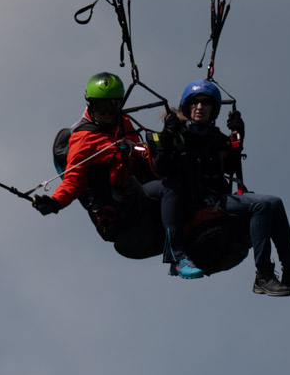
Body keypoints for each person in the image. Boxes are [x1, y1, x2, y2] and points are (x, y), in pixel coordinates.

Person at [154, 79, 290, 296]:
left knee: (275, 203)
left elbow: (230, 168)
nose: (200, 107)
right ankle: (263, 276)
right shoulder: (177, 136)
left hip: (219, 201)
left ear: (214, 109)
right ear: (187, 106)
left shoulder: (216, 138)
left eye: (206, 103)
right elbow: (162, 171)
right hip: (198, 206)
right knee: (263, 205)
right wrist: (167, 138)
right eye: (195, 103)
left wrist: (237, 139)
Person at [32, 72, 203, 279]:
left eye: (112, 106)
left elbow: (140, 152)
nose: (106, 114)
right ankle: (177, 258)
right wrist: (55, 203)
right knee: (170, 189)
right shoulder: (83, 139)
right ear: (90, 105)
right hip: (122, 201)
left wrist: (162, 144)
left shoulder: (123, 122)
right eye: (100, 107)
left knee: (179, 176)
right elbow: (74, 179)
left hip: (138, 185)